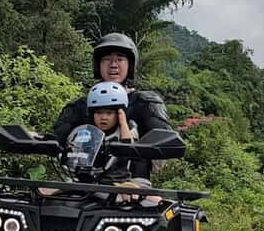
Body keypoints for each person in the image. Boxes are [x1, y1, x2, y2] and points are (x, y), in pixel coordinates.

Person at [52, 33, 174, 180]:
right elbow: (54, 140)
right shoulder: (80, 105)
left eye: (120, 59)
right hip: (81, 183)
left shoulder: (146, 102)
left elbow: (165, 141)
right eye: (107, 59)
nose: (113, 64)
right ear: (98, 65)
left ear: (130, 65)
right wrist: (34, 140)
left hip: (132, 187)